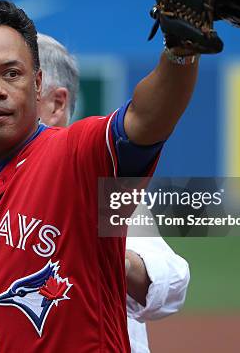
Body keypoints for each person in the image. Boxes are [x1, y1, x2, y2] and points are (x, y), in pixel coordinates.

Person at [0, 0, 200, 352]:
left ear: (37, 85)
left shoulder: (80, 159)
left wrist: (181, 51)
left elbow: (147, 120)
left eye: (11, 73)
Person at [36, 33, 190, 353]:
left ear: (55, 103)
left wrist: (105, 255)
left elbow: (171, 282)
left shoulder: (99, 179)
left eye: (14, 77)